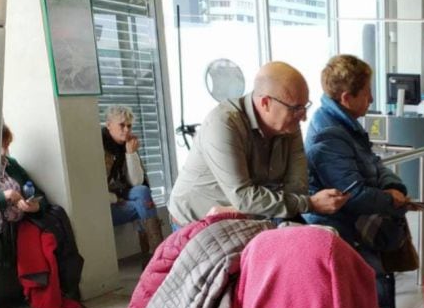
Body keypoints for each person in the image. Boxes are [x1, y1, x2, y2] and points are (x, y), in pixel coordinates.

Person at [167, 61, 347, 226]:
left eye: (304, 106)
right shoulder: (223, 124)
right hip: (194, 222)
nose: (304, 116)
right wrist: (310, 204)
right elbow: (244, 197)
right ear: (265, 103)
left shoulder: (288, 125)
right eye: (296, 108)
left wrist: (257, 207)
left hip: (247, 218)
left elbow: (297, 187)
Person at [303, 54, 412, 308]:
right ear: (346, 98)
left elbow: (373, 162)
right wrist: (391, 200)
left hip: (356, 229)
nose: (372, 99)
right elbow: (353, 194)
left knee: (374, 301)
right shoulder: (328, 134)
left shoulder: (344, 125)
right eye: (367, 93)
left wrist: (393, 185)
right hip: (346, 233)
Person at [0, 124, 44, 308]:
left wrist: (34, 204)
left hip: (15, 223)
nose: (4, 150)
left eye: (6, 144)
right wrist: (4, 197)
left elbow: (35, 190)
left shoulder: (11, 164)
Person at [102, 105, 164, 258]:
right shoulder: (98, 146)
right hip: (103, 207)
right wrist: (115, 199)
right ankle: (157, 255)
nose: (126, 130)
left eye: (129, 126)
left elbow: (137, 183)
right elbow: (93, 190)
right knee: (145, 207)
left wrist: (131, 154)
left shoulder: (128, 144)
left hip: (122, 197)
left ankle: (153, 253)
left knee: (142, 193)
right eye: (121, 125)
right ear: (109, 125)